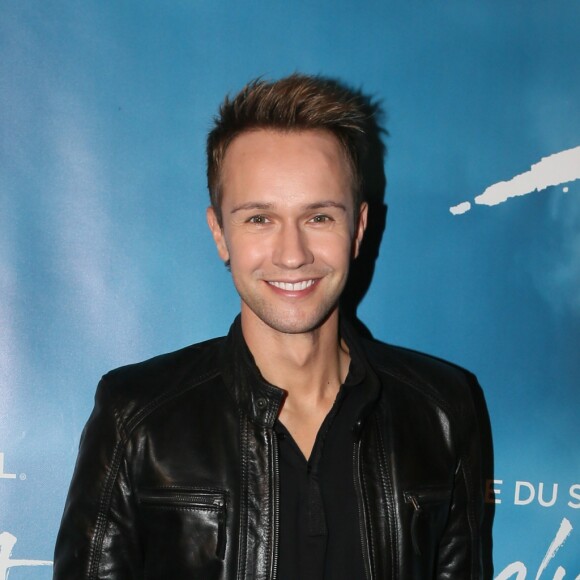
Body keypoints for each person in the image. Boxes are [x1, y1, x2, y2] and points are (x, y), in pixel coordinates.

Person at [54, 74, 484, 579]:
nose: (293, 254)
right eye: (260, 219)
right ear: (220, 233)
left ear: (359, 229)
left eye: (319, 217)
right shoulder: (137, 415)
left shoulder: (441, 410)